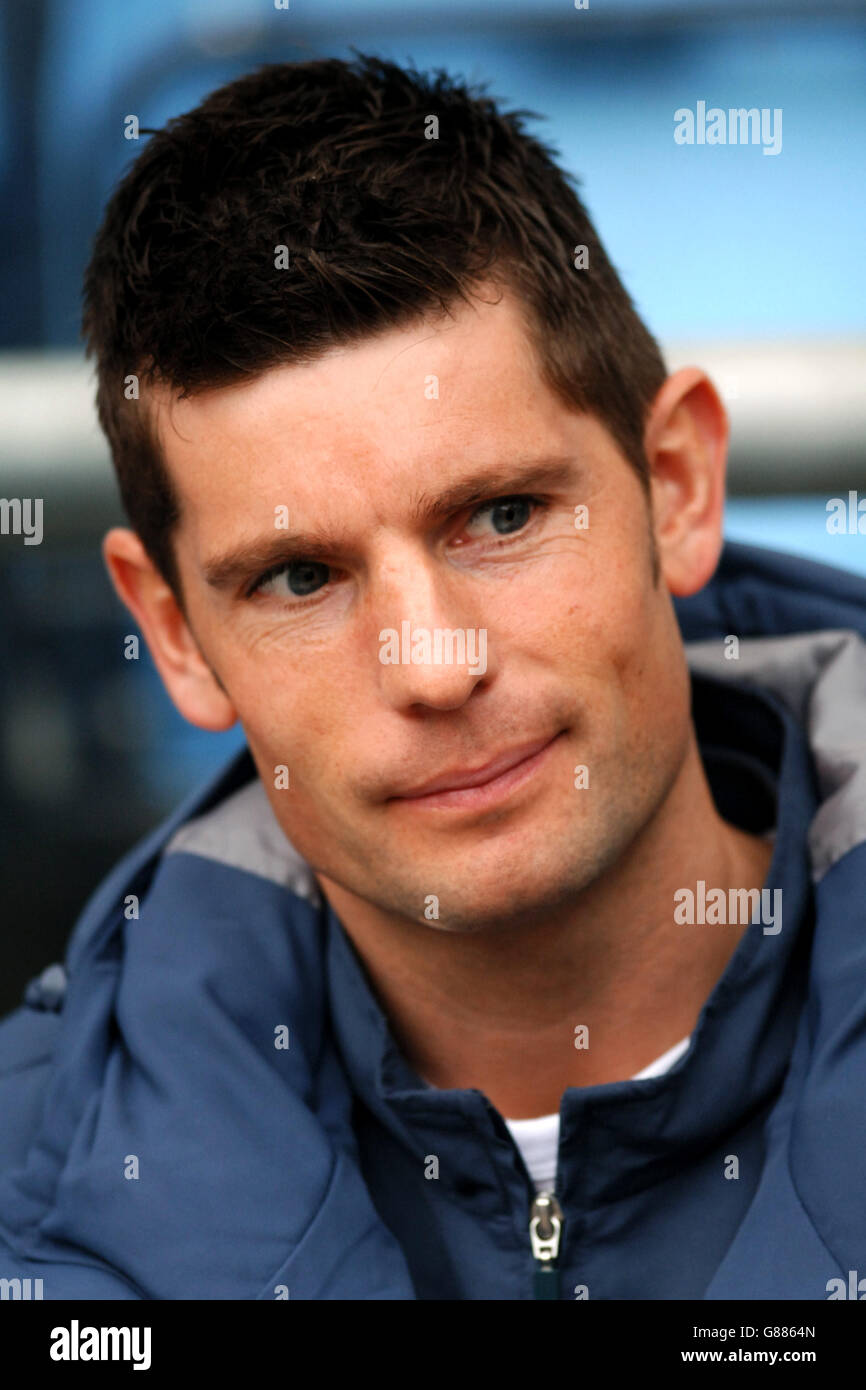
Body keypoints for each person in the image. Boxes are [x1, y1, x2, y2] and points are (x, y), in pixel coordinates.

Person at [1, 54, 865, 1302]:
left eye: (501, 515)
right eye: (299, 578)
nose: (433, 665)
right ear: (174, 632)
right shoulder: (43, 1191)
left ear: (674, 486)